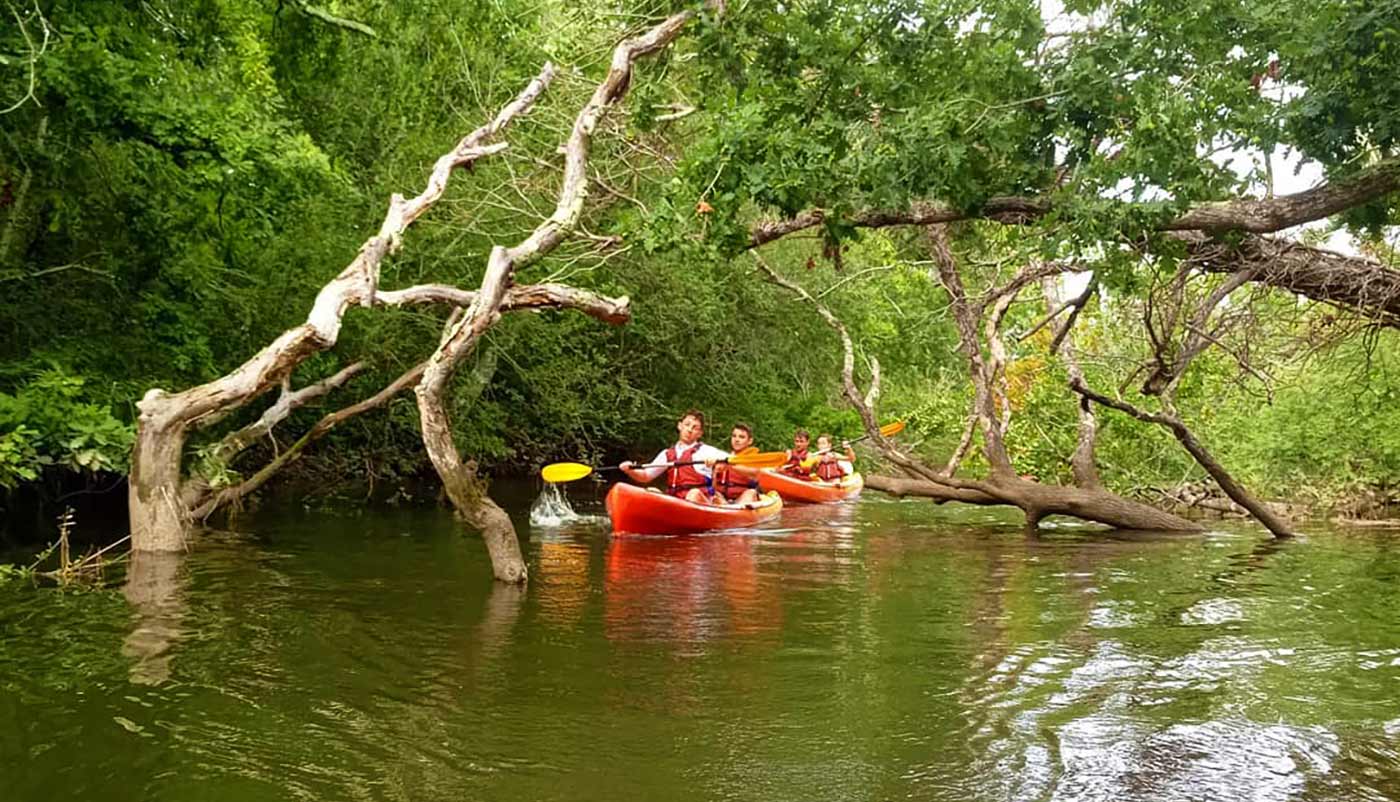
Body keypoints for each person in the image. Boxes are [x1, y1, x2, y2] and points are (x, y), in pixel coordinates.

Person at [620, 409, 730, 504]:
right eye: (687, 425)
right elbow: (645, 476)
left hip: (699, 500)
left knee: (693, 494)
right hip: (676, 500)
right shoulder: (667, 454)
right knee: (651, 490)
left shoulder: (707, 451)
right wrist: (629, 470)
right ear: (680, 426)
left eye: (695, 428)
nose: (689, 430)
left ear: (700, 433)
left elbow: (731, 460)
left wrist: (718, 462)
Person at [711, 423, 762, 505]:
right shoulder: (723, 457)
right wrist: (715, 472)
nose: (736, 439)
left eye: (741, 437)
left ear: (750, 441)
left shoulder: (753, 458)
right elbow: (714, 487)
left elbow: (755, 474)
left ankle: (738, 513)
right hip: (723, 499)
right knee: (714, 494)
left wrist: (731, 465)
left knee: (751, 492)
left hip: (743, 497)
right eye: (734, 436)